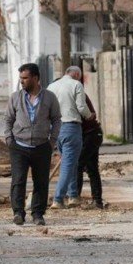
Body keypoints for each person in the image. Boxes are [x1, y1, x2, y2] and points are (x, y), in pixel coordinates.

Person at [5, 62, 61, 226]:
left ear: (35, 78)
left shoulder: (49, 97)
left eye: (25, 78)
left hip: (41, 146)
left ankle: (38, 214)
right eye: (21, 78)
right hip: (19, 146)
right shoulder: (15, 97)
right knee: (18, 181)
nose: (22, 81)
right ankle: (18, 213)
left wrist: (52, 141)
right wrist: (9, 139)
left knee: (41, 181)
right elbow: (8, 119)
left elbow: (57, 120)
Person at [45, 65, 93, 208]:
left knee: (71, 162)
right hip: (71, 127)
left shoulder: (51, 86)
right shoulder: (76, 85)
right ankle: (58, 199)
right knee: (68, 164)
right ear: (77, 75)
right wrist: (90, 116)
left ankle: (73, 196)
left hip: (55, 129)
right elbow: (81, 107)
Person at [76, 93, 104, 208]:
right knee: (91, 168)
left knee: (78, 165)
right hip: (91, 134)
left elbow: (87, 114)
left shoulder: (78, 95)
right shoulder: (75, 93)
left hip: (91, 135)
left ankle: (74, 197)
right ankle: (97, 201)